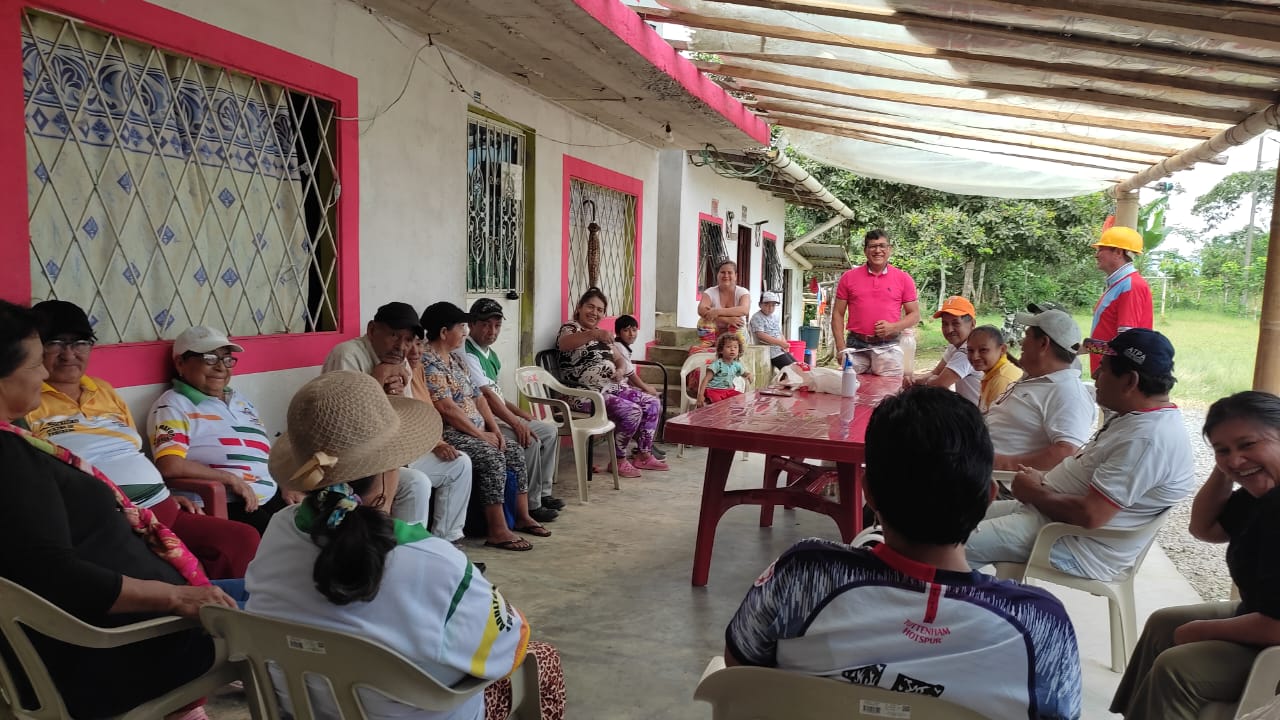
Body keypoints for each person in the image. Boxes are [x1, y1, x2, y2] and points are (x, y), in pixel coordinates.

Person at [724, 386, 1081, 719]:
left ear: (868, 493)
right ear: (988, 497)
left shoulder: (803, 575)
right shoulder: (1041, 626)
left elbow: (739, 674)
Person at [245, 370, 566, 720]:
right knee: (541, 658)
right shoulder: (435, 560)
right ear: (387, 469)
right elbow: (507, 648)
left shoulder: (279, 530)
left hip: (301, 710)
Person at [0, 299, 236, 720]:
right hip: (113, 652)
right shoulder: (10, 457)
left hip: (114, 633)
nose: (44, 373)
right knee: (271, 608)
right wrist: (177, 596)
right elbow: (55, 575)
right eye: (36, 363)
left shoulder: (17, 446)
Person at [26, 300, 259, 578]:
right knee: (167, 573)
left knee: (241, 540)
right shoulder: (28, 399)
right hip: (108, 521)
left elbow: (131, 453)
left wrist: (167, 493)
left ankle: (221, 603)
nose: (69, 354)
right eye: (56, 343)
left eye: (80, 343)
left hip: (161, 508)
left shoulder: (103, 391)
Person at [965, 328, 1196, 580]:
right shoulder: (1137, 420)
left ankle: (956, 601)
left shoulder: (1147, 440)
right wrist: (1042, 480)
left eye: (1103, 369)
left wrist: (1033, 492)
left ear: (1130, 381)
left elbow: (1090, 515)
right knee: (951, 521)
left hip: (1070, 540)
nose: (1094, 375)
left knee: (947, 547)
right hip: (1047, 516)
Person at [1110, 391, 1280, 719]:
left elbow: (1276, 626)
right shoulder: (1261, 493)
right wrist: (1230, 468)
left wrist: (1202, 630)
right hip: (1261, 614)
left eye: (1247, 444)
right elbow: (1204, 528)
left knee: (1177, 668)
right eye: (1221, 449)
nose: (1235, 459)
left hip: (1274, 642)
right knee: (1163, 623)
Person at [322, 301, 469, 538]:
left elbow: (406, 417)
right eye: (393, 335)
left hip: (392, 451)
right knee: (416, 483)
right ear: (372, 330)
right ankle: (402, 551)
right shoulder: (347, 355)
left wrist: (399, 398)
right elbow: (347, 422)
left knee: (459, 465)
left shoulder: (400, 361)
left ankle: (447, 541)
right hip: (356, 459)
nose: (401, 346)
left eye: (408, 339)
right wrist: (378, 378)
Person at [420, 302, 546, 551]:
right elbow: (446, 408)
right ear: (444, 332)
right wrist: (480, 435)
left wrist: (495, 430)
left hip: (474, 430)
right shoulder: (428, 361)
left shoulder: (456, 359)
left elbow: (479, 397)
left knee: (512, 449)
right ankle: (497, 530)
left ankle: (522, 516)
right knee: (491, 456)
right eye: (461, 327)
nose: (465, 332)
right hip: (450, 433)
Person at [148, 326, 294, 535]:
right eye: (209, 359)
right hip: (226, 502)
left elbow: (261, 454)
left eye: (227, 359)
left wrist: (286, 483)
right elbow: (170, 465)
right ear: (180, 363)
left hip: (269, 495)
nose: (221, 368)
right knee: (284, 542)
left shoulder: (240, 400)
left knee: (316, 527)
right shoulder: (174, 405)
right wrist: (229, 479)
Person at [461, 298, 564, 523]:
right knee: (530, 439)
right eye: (486, 325)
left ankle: (543, 493)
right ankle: (531, 505)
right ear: (471, 324)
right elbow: (486, 397)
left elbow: (498, 395)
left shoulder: (491, 355)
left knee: (549, 431)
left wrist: (521, 414)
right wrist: (516, 423)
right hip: (485, 419)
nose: (492, 331)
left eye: (497, 326)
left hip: (499, 414)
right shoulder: (467, 353)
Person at [557, 288, 667, 479]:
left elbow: (620, 359)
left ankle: (643, 454)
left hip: (611, 388)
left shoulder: (602, 336)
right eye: (590, 307)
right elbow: (564, 344)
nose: (594, 312)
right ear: (579, 307)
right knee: (632, 411)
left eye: (600, 310)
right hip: (583, 394)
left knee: (652, 403)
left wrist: (620, 371)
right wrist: (594, 334)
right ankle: (619, 460)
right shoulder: (571, 328)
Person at [986, 308, 1096, 472]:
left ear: (1043, 343)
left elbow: (1067, 452)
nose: (1021, 342)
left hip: (999, 480)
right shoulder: (1037, 379)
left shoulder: (1068, 393)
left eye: (1027, 336)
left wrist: (1002, 463)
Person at [831, 229, 921, 376]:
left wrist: (893, 327)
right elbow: (837, 314)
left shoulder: (903, 278)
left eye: (882, 246)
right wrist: (841, 348)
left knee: (889, 387)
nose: (878, 250)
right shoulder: (848, 277)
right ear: (865, 251)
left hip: (889, 345)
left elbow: (915, 314)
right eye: (872, 246)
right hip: (856, 345)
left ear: (889, 249)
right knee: (851, 386)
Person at [1089, 226, 1153, 376]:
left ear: (1118, 252)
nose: (1096, 255)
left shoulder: (1131, 285)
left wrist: (1089, 348)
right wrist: (1085, 347)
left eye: (1101, 249)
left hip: (1115, 376)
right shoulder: (1120, 284)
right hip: (1107, 375)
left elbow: (1126, 342)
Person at [907, 295, 980, 405]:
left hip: (982, 414)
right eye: (945, 324)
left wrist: (925, 381)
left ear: (972, 324)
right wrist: (914, 379)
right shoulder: (954, 346)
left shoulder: (969, 351)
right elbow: (935, 373)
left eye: (955, 323)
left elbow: (939, 385)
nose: (949, 330)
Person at [612, 314, 666, 461]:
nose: (631, 334)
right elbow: (630, 375)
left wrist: (641, 389)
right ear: (618, 332)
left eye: (634, 330)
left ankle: (645, 444)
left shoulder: (624, 347)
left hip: (623, 387)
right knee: (652, 403)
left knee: (655, 402)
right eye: (626, 330)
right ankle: (643, 447)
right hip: (616, 389)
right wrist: (646, 388)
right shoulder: (618, 347)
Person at [692, 259, 751, 355]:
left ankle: (736, 349)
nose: (726, 275)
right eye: (722, 272)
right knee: (704, 320)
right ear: (717, 275)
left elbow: (744, 310)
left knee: (737, 323)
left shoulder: (742, 292)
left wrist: (717, 312)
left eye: (729, 273)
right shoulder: (710, 292)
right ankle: (709, 345)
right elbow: (701, 310)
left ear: (735, 276)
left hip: (736, 334)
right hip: (716, 333)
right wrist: (727, 319)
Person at [966, 325, 1024, 414]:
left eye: (983, 350)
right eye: (970, 350)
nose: (975, 357)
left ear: (1002, 349)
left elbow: (995, 420)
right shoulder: (993, 372)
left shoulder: (1002, 379)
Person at [696, 333, 752, 407]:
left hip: (728, 391)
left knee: (741, 398)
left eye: (735, 347)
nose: (732, 349)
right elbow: (706, 379)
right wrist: (700, 395)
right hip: (714, 390)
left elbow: (744, 374)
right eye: (728, 347)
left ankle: (733, 414)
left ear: (739, 350)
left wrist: (749, 375)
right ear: (721, 350)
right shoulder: (717, 364)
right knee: (719, 405)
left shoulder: (737, 365)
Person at [748, 291, 798, 371]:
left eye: (773, 305)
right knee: (792, 370)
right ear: (760, 304)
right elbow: (760, 335)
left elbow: (779, 332)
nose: (770, 308)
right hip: (770, 351)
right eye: (766, 305)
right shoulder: (757, 317)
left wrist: (784, 343)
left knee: (798, 366)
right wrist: (780, 343)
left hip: (780, 349)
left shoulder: (774, 317)